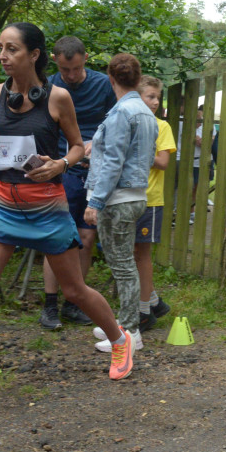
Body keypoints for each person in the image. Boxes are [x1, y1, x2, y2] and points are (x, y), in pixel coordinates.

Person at [0, 23, 132, 408]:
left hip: (48, 208)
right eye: (1, 48)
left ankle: (120, 340)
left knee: (74, 290)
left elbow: (77, 147)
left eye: (12, 49)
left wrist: (60, 166)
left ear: (33, 55)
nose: (3, 55)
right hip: (4, 204)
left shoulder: (58, 98)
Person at [40, 36, 116, 330]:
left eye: (74, 69)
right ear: (56, 62)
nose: (69, 76)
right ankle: (49, 305)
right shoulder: (48, 87)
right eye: (64, 70)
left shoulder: (102, 85)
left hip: (94, 174)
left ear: (85, 57)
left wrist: (98, 144)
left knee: (86, 238)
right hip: (60, 171)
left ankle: (75, 303)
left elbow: (114, 121)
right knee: (55, 239)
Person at [83, 54, 157, 353]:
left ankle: (129, 332)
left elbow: (114, 162)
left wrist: (96, 202)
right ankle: (121, 324)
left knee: (123, 266)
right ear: (138, 80)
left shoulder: (121, 113)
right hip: (136, 194)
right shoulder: (144, 112)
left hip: (118, 198)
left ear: (110, 79)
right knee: (123, 264)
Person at [131, 76, 174, 332]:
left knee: (141, 254)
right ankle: (153, 302)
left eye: (158, 97)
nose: (156, 102)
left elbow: (163, 162)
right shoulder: (127, 122)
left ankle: (144, 312)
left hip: (150, 200)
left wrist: (136, 151)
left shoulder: (162, 127)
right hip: (126, 197)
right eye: (150, 96)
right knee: (128, 254)